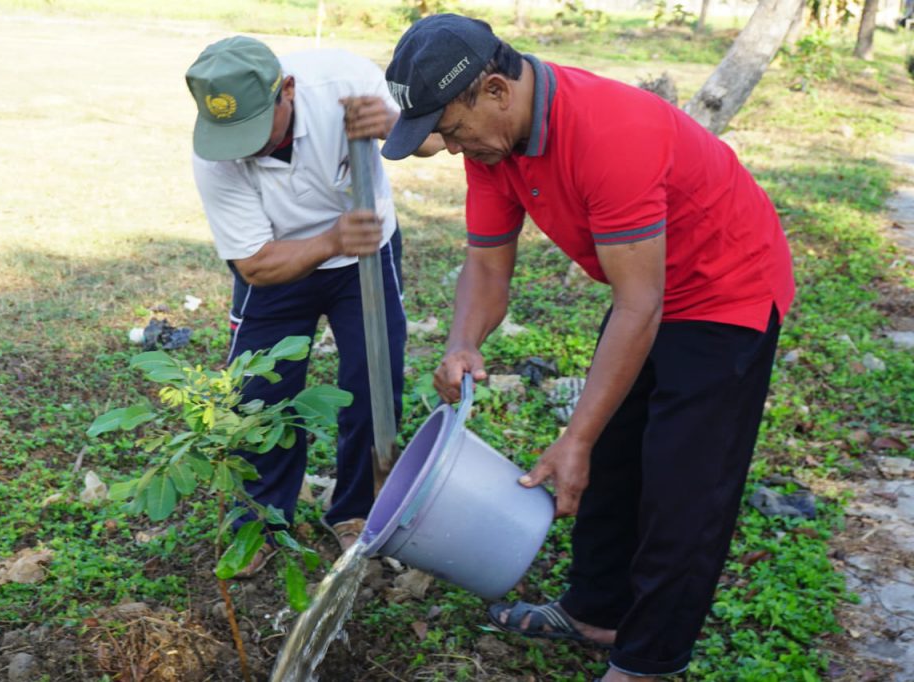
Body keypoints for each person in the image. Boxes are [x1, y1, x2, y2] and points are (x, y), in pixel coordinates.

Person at [381, 14, 795, 681]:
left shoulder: (608, 133)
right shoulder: (496, 145)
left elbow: (640, 305)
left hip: (727, 291)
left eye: (452, 130)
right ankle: (596, 612)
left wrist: (572, 437)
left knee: (681, 484)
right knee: (610, 454)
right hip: (650, 290)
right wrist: (462, 341)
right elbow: (488, 266)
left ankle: (648, 662)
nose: (453, 148)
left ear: (493, 90)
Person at [185, 37, 441, 577]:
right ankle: (260, 521)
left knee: (373, 380)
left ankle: (356, 509)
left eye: (257, 129)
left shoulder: (345, 80)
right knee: (258, 392)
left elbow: (436, 138)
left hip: (367, 250)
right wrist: (329, 241)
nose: (244, 149)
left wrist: (395, 126)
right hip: (280, 261)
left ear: (289, 92)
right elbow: (254, 264)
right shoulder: (214, 153)